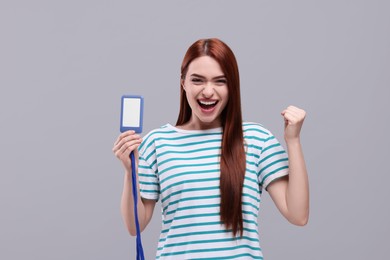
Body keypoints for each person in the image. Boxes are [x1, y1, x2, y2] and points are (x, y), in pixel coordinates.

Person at [112, 38, 309, 259]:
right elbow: (134, 226)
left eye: (220, 81)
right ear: (183, 82)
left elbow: (298, 215)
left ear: (232, 86)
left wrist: (293, 141)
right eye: (197, 80)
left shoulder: (255, 139)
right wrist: (130, 172)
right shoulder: (157, 143)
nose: (208, 91)